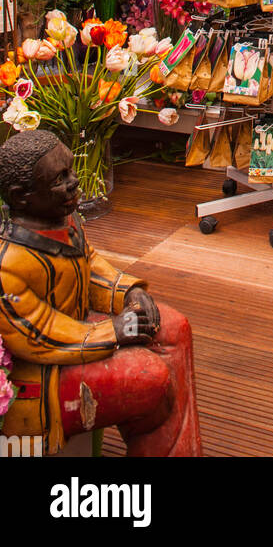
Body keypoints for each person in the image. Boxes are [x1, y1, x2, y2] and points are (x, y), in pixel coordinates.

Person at [0, 129, 202, 456]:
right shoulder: (9, 263)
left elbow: (90, 265)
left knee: (175, 327)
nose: (74, 182)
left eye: (71, 170)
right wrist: (115, 331)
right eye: (59, 179)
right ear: (21, 196)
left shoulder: (65, 221)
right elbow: (40, 335)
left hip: (83, 330)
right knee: (150, 378)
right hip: (44, 372)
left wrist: (128, 293)